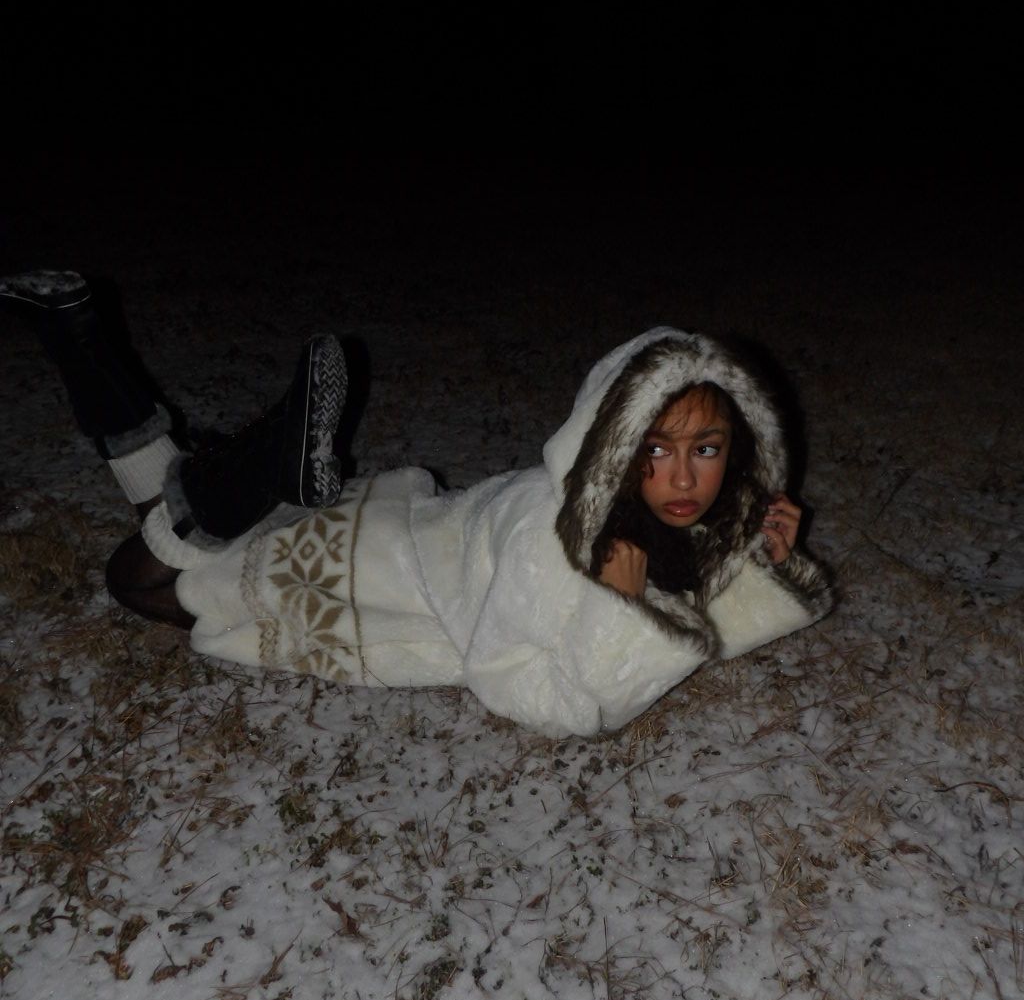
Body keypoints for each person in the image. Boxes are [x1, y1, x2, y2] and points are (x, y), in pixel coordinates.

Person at [3, 271, 832, 737]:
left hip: (381, 531)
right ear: (614, 441)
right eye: (655, 450)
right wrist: (618, 613)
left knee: (168, 507)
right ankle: (249, 472)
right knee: (136, 581)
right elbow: (525, 688)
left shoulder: (626, 510)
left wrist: (760, 561)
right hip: (363, 579)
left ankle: (72, 324)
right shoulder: (556, 548)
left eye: (707, 450)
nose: (685, 479)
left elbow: (696, 593)